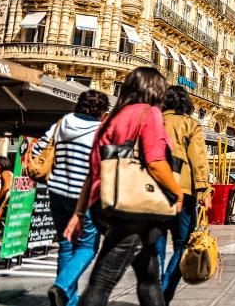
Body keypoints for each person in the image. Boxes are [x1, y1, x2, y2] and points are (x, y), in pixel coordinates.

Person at [67, 67, 183, 306]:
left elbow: (92, 172)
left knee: (149, 277)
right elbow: (155, 162)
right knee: (102, 282)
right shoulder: (148, 113)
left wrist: (79, 213)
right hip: (131, 210)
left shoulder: (110, 118)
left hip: (105, 204)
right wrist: (178, 192)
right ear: (155, 90)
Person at [30, 90, 109, 306]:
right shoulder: (99, 130)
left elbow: (38, 149)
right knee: (87, 246)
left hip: (56, 193)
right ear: (101, 111)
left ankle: (68, 302)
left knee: (65, 246)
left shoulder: (62, 123)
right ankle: (62, 286)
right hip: (84, 197)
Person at [155, 86, 212, 304]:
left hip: (154, 191)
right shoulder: (190, 125)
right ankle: (164, 292)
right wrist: (204, 189)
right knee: (183, 244)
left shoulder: (154, 122)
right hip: (184, 191)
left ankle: (154, 289)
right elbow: (198, 159)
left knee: (156, 243)